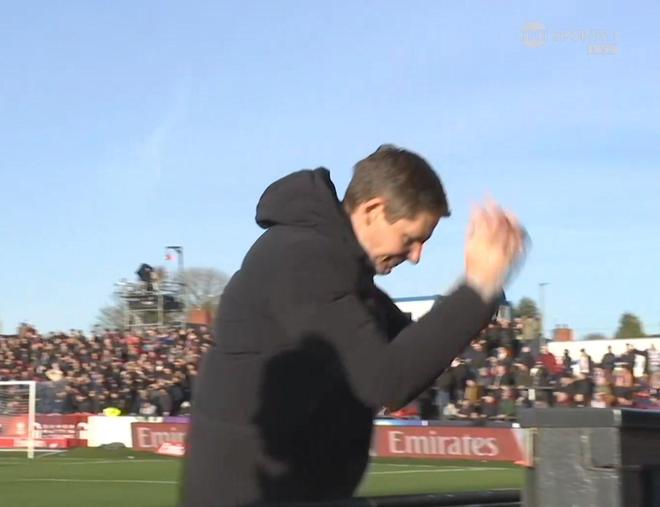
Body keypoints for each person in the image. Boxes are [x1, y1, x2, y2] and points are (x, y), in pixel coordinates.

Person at [180, 145, 526, 507]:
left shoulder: (347, 277)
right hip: (251, 495)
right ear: (373, 210)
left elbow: (415, 349)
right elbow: (387, 380)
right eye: (410, 239)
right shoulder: (300, 258)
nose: (415, 256)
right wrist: (478, 287)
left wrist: (483, 293)